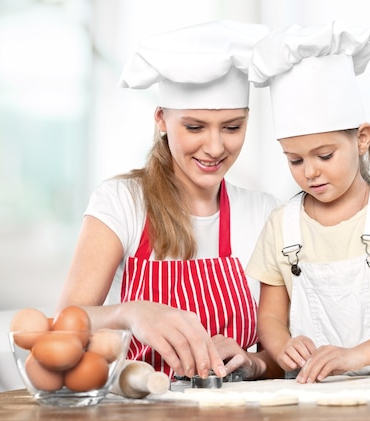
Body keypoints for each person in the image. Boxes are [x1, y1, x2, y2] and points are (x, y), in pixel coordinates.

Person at [56, 20, 282, 381]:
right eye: (194, 127)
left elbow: (282, 354)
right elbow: (64, 327)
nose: (214, 147)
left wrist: (252, 362)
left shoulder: (263, 213)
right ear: (161, 118)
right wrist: (131, 313)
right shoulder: (123, 202)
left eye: (232, 127)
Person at [246, 21, 370, 384]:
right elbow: (270, 318)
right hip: (313, 394)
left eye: (324, 155)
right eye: (295, 160)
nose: (310, 173)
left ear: (362, 139)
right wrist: (283, 345)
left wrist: (353, 357)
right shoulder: (282, 224)